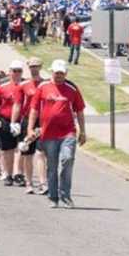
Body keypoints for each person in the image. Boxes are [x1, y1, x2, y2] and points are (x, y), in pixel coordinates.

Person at [27, 59, 86, 208]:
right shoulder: (43, 87)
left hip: (68, 133)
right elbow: (34, 109)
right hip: (48, 134)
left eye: (61, 73)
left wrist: (83, 131)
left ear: (65, 73)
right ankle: (53, 197)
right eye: (56, 73)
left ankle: (65, 195)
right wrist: (30, 128)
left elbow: (79, 110)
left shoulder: (72, 88)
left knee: (67, 160)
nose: (59, 75)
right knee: (52, 167)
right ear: (51, 72)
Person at [0, 60, 24, 185]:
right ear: (9, 72)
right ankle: (8, 174)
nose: (17, 73)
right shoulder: (2, 86)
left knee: (21, 148)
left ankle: (18, 173)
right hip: (5, 120)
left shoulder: (26, 85)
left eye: (19, 71)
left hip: (22, 120)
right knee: (7, 149)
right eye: (14, 71)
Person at [20, 57, 48, 195]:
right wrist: (15, 121)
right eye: (32, 66)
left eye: (36, 66)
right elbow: (18, 104)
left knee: (41, 152)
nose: (34, 69)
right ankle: (29, 182)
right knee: (27, 152)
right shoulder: (24, 85)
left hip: (43, 121)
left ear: (40, 67)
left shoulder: (46, 84)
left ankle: (43, 183)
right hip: (27, 121)